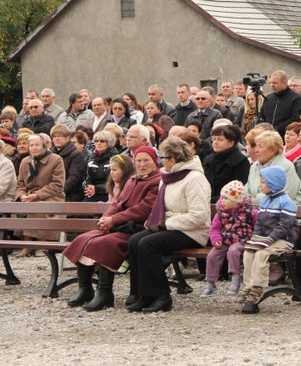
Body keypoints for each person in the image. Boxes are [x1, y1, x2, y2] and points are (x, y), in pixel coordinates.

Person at [62, 151, 161, 310]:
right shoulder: (132, 180)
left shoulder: (156, 181)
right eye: (139, 161)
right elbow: (117, 203)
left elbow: (143, 210)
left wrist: (113, 220)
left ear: (155, 161)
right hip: (118, 225)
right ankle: (85, 288)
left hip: (136, 229)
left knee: (106, 243)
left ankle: (105, 293)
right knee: (83, 239)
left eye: (146, 160)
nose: (142, 165)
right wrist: (105, 217)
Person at [126, 139, 211, 313]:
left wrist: (167, 224)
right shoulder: (167, 177)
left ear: (173, 159)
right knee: (135, 241)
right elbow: (161, 208)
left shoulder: (195, 178)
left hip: (193, 232)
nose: (161, 161)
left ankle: (162, 296)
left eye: (163, 157)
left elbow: (199, 216)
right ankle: (142, 295)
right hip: (172, 227)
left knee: (148, 244)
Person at [241, 166, 299, 314]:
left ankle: (257, 288)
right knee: (248, 252)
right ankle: (248, 286)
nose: (260, 186)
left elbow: (284, 226)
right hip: (265, 239)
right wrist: (256, 238)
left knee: (262, 254)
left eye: (263, 182)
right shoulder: (265, 201)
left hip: (283, 240)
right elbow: (259, 223)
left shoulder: (286, 203)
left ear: (273, 183)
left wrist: (269, 239)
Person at [202, 180, 257, 297]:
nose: (222, 201)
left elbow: (258, 225)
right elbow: (214, 228)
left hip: (242, 240)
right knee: (212, 255)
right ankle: (211, 282)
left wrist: (254, 239)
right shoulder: (221, 212)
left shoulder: (250, 212)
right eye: (222, 198)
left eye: (226, 198)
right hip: (225, 240)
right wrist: (216, 239)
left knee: (233, 251)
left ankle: (235, 278)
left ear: (236, 201)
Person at [15, 134, 66, 253]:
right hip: (29, 195)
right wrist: (21, 195)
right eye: (31, 145)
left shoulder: (56, 159)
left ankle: (42, 244)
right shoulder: (25, 161)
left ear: (43, 145)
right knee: (20, 206)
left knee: (39, 206)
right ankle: (27, 244)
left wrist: (37, 195)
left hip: (52, 196)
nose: (34, 148)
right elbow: (20, 183)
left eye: (37, 145)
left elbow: (57, 185)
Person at [202, 124, 251, 203]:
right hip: (206, 201)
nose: (215, 142)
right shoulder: (207, 160)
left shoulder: (240, 161)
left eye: (220, 139)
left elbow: (239, 189)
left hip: (229, 204)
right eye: (214, 139)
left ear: (231, 143)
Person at [50, 124, 86, 202]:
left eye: (60, 136)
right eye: (54, 136)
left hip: (70, 195)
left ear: (67, 138)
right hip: (52, 193)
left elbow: (73, 179)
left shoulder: (76, 155)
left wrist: (57, 192)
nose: (57, 139)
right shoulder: (50, 155)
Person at [260, 70, 301, 135]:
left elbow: (295, 118)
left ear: (284, 83)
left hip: (286, 135)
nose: (272, 85)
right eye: (270, 83)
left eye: (275, 83)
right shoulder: (268, 98)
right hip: (267, 136)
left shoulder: (296, 98)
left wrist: (275, 129)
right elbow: (262, 116)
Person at [84, 131, 117, 202]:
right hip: (92, 192)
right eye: (96, 141)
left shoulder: (115, 158)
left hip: (108, 193)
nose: (98, 143)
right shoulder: (91, 158)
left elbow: (114, 182)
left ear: (109, 143)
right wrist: (89, 187)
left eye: (102, 141)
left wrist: (96, 188)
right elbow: (87, 177)